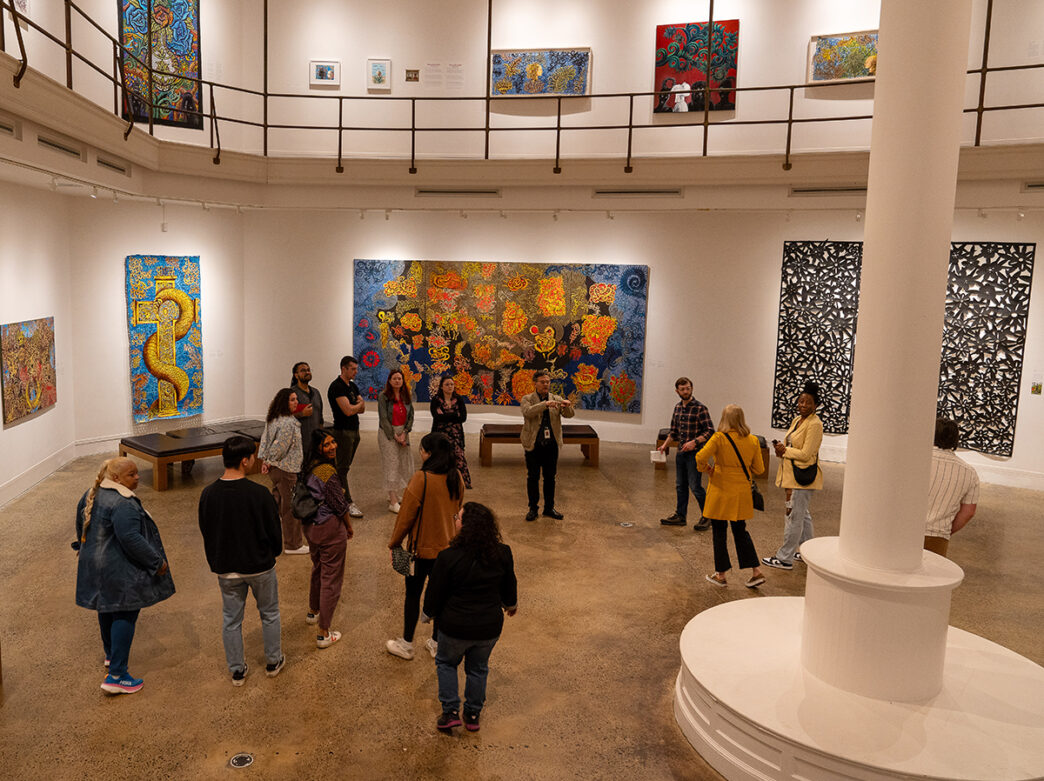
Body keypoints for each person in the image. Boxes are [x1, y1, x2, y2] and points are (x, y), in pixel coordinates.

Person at [73, 457, 175, 695]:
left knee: (106, 608)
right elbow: (131, 539)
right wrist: (156, 562)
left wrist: (82, 547)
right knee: (125, 613)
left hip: (96, 567)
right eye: (132, 474)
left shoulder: (93, 492)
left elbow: (81, 524)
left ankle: (111, 655)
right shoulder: (123, 504)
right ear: (117, 478)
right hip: (118, 571)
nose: (138, 478)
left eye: (137, 473)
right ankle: (117, 675)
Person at [423, 502, 518, 734]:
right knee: (478, 668)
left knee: (446, 663)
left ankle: (450, 713)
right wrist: (510, 604)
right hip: (488, 628)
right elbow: (509, 585)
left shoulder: (447, 557)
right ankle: (473, 715)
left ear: (467, 526)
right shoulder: (502, 553)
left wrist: (428, 614)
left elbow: (435, 591)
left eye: (459, 517)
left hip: (455, 626)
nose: (455, 520)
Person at [198, 436, 285, 685]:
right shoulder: (259, 494)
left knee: (231, 619)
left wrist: (216, 559)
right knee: (269, 613)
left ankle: (237, 670)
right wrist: (273, 553)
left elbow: (206, 529)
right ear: (245, 461)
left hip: (226, 569)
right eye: (253, 456)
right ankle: (273, 661)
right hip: (260, 567)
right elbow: (273, 531)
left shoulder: (208, 494)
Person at [386, 432, 465, 661]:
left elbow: (406, 517)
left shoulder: (422, 478)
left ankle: (407, 644)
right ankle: (436, 642)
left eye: (422, 450)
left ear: (430, 454)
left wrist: (394, 542)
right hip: (448, 549)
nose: (420, 454)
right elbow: (458, 510)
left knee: (413, 595)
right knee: (442, 596)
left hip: (421, 550)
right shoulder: (456, 477)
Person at [696, 405, 767, 589]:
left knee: (719, 531)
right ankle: (756, 571)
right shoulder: (752, 441)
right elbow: (759, 469)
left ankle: (721, 575)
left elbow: (700, 457)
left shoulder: (719, 438)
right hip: (741, 492)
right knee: (740, 531)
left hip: (720, 489)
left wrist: (708, 469)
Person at [301, 428, 355, 648]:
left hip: (311, 528)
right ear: (318, 448)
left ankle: (313, 611)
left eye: (333, 442)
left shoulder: (308, 468)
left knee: (318, 568)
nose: (332, 447)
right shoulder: (327, 472)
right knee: (331, 578)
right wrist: (349, 527)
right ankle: (324, 632)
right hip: (329, 528)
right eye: (327, 444)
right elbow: (339, 505)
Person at [762, 380, 824, 570]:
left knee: (794, 517)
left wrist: (785, 451)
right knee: (802, 515)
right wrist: (783, 447)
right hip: (792, 474)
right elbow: (793, 443)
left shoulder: (815, 424)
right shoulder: (798, 420)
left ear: (815, 405)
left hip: (802, 476)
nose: (803, 405)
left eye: (808, 403)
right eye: (801, 401)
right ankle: (808, 552)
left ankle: (784, 558)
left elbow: (806, 454)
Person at [659, 377, 715, 530]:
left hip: (695, 454)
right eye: (682, 389)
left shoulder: (700, 408)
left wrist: (694, 442)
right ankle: (680, 515)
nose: (685, 391)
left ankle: (708, 516)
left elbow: (710, 431)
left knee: (695, 486)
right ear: (677, 391)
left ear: (692, 389)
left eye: (688, 388)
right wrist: (664, 446)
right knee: (680, 486)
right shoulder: (677, 408)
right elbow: (674, 431)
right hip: (681, 453)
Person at [520, 370, 575, 521]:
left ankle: (549, 508)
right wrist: (545, 404)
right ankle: (533, 509)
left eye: (548, 382)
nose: (546, 384)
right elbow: (528, 413)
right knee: (533, 477)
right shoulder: (528, 398)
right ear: (535, 383)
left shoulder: (556, 398)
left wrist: (568, 406)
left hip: (551, 445)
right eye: (542, 382)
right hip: (533, 445)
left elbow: (569, 415)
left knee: (550, 478)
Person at [258, 387, 308, 554]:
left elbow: (264, 440)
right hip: (286, 469)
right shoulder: (288, 423)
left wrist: (265, 461)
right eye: (292, 400)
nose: (296, 403)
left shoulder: (274, 418)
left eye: (296, 399)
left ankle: (269, 538)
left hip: (277, 469)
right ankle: (293, 544)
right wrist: (270, 460)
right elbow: (280, 446)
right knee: (291, 507)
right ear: (284, 402)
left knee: (277, 505)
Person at [924, 417, 979, 557]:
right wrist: (946, 531)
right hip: (937, 538)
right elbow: (969, 512)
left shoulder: (914, 461)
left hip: (902, 532)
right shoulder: (969, 472)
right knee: (931, 577)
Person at [327, 355, 365, 518]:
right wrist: (357, 405)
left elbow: (361, 409)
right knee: (341, 469)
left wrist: (356, 406)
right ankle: (347, 502)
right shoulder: (337, 387)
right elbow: (348, 410)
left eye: (356, 368)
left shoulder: (352, 386)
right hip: (342, 432)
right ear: (344, 368)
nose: (356, 372)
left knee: (342, 468)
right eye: (353, 369)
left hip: (354, 431)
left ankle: (334, 496)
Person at [377, 369, 416, 513]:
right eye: (394, 378)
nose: (397, 381)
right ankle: (393, 501)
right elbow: (383, 418)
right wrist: (395, 435)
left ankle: (393, 493)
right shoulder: (383, 396)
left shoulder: (407, 395)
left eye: (399, 378)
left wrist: (405, 432)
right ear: (389, 380)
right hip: (388, 434)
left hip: (403, 432)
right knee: (391, 464)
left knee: (403, 464)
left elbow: (411, 415)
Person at [430, 374, 472, 489]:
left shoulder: (459, 399)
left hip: (456, 434)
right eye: (447, 384)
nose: (450, 386)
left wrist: (446, 416)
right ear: (442, 387)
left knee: (459, 457)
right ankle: (440, 483)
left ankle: (462, 482)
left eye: (452, 384)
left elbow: (463, 418)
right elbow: (436, 417)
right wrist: (454, 415)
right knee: (441, 458)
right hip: (440, 434)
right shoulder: (436, 400)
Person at [290, 361, 324, 460]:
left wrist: (321, 438)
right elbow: (284, 417)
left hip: (315, 441)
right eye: (303, 370)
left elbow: (320, 418)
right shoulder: (292, 393)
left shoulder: (316, 392)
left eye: (309, 370)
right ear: (296, 375)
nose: (307, 372)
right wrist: (301, 414)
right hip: (299, 442)